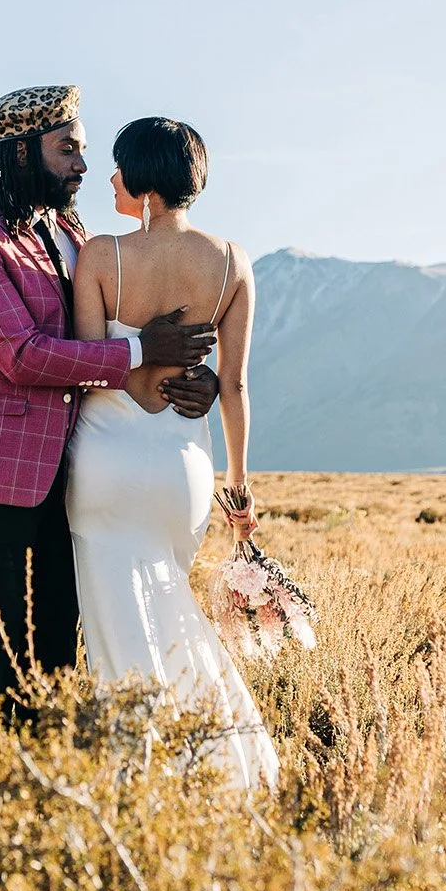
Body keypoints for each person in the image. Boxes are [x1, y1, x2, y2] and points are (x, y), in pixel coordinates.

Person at [0, 85, 221, 722]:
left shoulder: (70, 232)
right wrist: (142, 352)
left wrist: (202, 381)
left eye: (83, 150)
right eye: (69, 150)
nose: (84, 166)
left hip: (75, 472)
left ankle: (50, 788)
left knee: (58, 644)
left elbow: (106, 335)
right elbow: (23, 355)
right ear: (23, 152)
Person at [66, 115, 279, 792]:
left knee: (114, 622)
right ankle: (211, 761)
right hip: (183, 469)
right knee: (169, 607)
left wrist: (139, 361)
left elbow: (94, 369)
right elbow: (235, 384)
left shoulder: (100, 256)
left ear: (142, 182)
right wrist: (239, 491)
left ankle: (134, 775)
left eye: (118, 167)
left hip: (107, 460)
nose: (109, 178)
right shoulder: (230, 261)